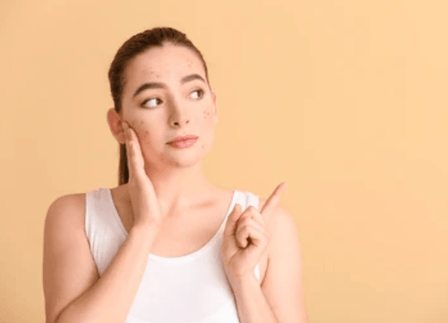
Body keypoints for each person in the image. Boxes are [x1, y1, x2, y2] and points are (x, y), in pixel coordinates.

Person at [42, 27, 307, 323]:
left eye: (195, 93)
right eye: (153, 100)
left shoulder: (267, 225)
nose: (180, 116)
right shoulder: (76, 217)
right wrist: (144, 230)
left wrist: (243, 279)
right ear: (117, 125)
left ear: (214, 105)